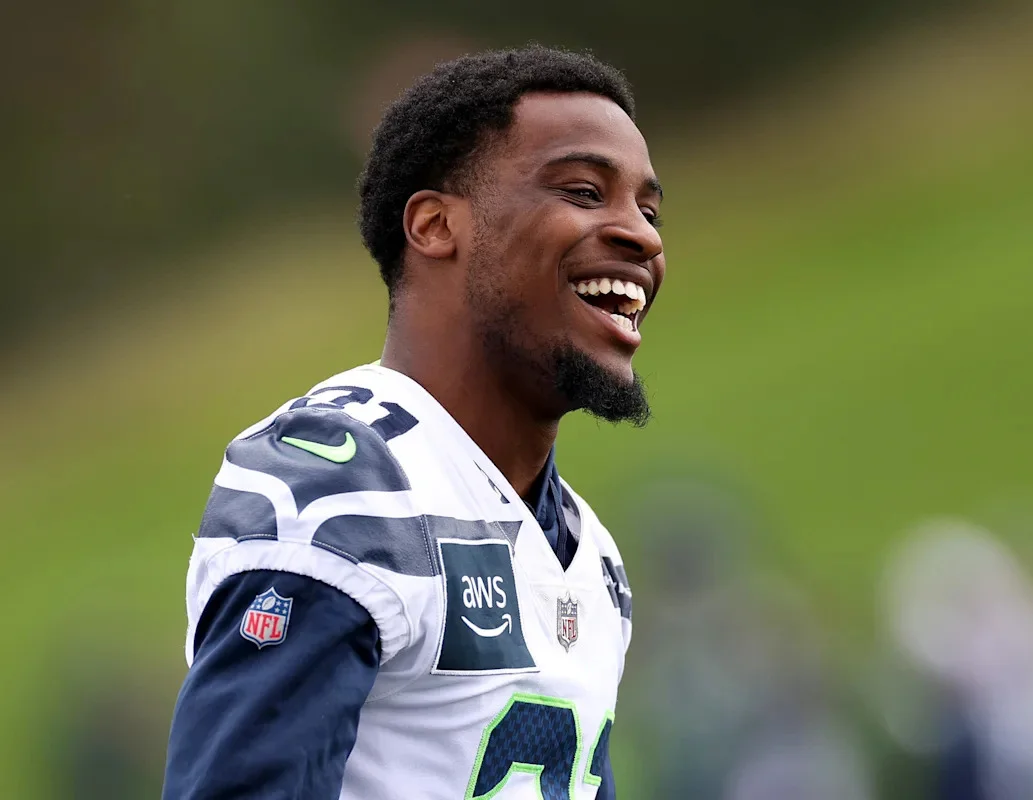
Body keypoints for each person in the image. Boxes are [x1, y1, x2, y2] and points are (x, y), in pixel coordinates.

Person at [162, 45, 665, 800]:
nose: (643, 237)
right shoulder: (340, 485)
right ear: (434, 225)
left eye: (649, 211)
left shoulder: (590, 555)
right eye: (585, 192)